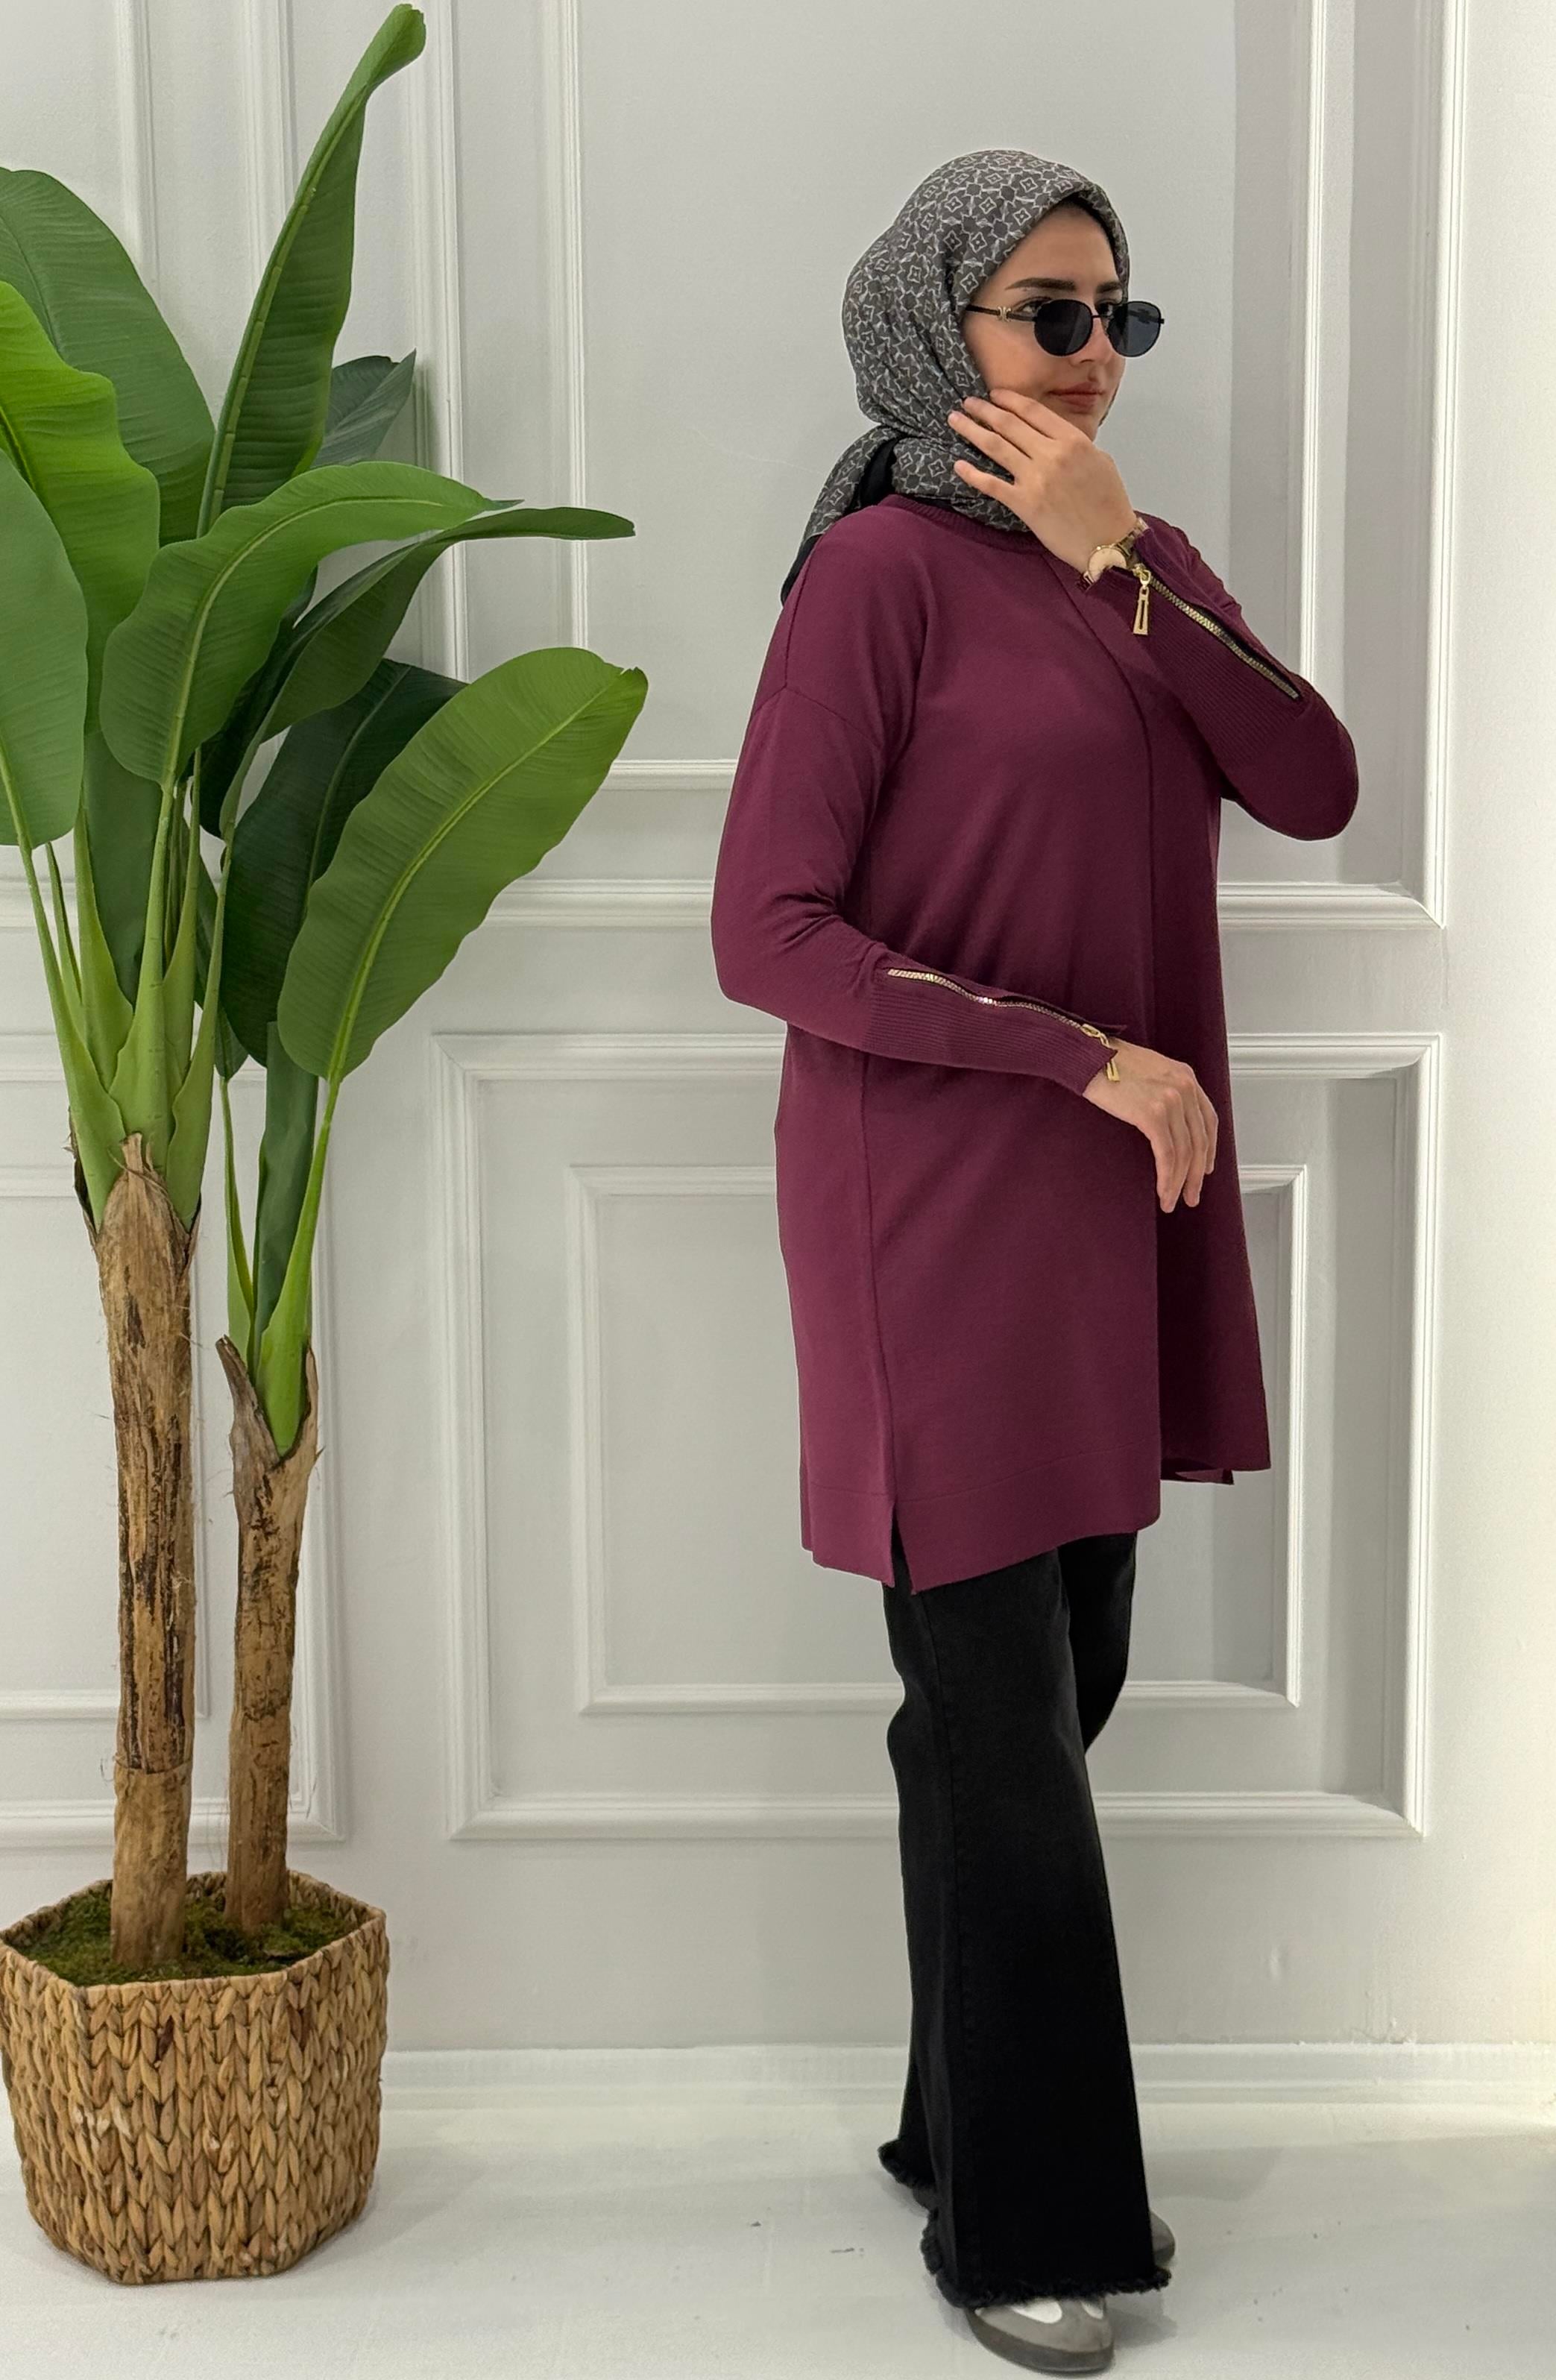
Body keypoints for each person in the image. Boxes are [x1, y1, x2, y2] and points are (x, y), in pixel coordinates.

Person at [709, 149, 1358, 2373]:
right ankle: (1029, 2224)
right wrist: (1081, 1056)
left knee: (1048, 1691)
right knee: (1007, 1734)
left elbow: (1314, 781)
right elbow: (766, 933)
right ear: (934, 325)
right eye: (1048, 314)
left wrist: (1131, 565)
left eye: (1118, 321)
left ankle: (951, 2119)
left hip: (1108, 1206)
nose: (1092, 361)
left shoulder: (1128, 560)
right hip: (937, 1214)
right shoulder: (874, 578)